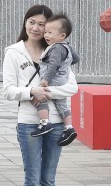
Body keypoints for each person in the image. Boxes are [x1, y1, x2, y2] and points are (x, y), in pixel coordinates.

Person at [2, 5, 79, 186]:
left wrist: (45, 92)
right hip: (28, 124)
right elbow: (8, 90)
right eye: (31, 22)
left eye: (41, 24)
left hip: (56, 123)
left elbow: (72, 87)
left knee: (49, 181)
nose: (36, 28)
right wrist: (30, 91)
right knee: (32, 180)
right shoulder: (13, 52)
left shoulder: (58, 50)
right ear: (25, 22)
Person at [31, 13, 79, 146]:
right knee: (61, 104)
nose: (46, 35)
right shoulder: (67, 46)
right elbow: (75, 59)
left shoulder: (56, 48)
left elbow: (53, 65)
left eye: (50, 32)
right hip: (62, 79)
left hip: (53, 79)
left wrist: (46, 79)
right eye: (45, 32)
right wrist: (65, 66)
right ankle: (69, 128)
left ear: (62, 36)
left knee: (39, 96)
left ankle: (44, 122)